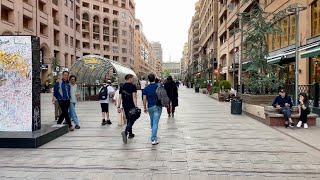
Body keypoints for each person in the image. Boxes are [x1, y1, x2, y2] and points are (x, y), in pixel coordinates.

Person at [118, 74, 138, 144]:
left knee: (129, 119)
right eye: (132, 78)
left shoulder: (122, 86)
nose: (133, 80)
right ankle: (126, 132)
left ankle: (130, 134)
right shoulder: (133, 86)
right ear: (129, 78)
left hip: (125, 106)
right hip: (131, 106)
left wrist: (118, 106)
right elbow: (134, 97)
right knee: (132, 119)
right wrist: (136, 106)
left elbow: (120, 97)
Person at [143, 74, 162, 145]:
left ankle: (153, 134)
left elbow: (144, 99)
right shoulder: (158, 86)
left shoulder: (146, 88)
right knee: (155, 122)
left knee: (152, 120)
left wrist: (145, 107)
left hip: (150, 107)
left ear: (148, 80)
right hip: (157, 107)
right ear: (154, 79)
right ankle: (153, 139)